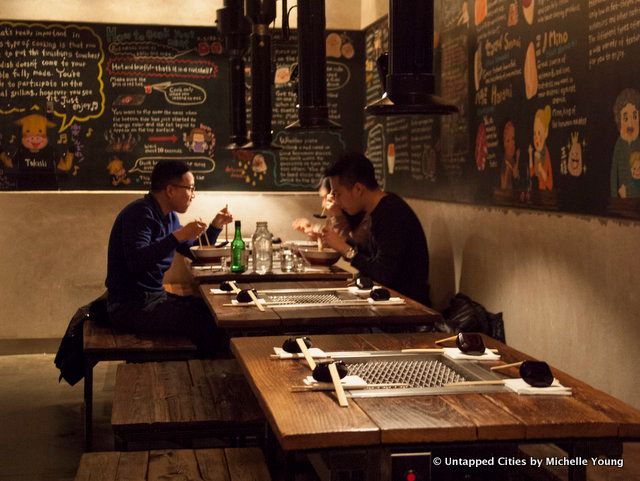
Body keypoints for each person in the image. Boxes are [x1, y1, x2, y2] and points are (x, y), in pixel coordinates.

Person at [105, 160, 233, 356]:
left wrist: (215, 226)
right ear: (170, 190)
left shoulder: (170, 216)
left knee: (214, 310)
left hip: (153, 298)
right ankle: (206, 378)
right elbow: (136, 263)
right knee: (209, 323)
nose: (193, 195)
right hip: (130, 306)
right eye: (190, 188)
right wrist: (179, 235)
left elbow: (192, 252)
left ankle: (207, 372)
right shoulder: (140, 213)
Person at [320, 152, 431, 307]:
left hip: (409, 310)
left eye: (338, 194)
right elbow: (373, 257)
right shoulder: (381, 209)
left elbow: (383, 274)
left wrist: (346, 250)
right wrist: (343, 243)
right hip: (390, 304)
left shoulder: (391, 213)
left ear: (358, 189)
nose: (336, 201)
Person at [292, 176, 370, 250]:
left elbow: (353, 251)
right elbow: (332, 243)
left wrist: (338, 215)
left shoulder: (368, 219)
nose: (323, 204)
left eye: (325, 198)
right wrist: (312, 230)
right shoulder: (341, 217)